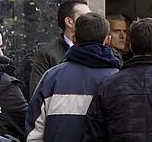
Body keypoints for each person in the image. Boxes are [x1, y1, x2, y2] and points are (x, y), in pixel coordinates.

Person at [25, 12, 120, 142]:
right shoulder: (119, 79)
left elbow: (34, 133)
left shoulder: (51, 77)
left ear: (74, 39)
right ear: (108, 40)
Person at [29, 0, 91, 95]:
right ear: (69, 22)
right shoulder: (47, 54)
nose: (90, 21)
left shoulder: (97, 50)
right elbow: (37, 93)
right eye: (85, 18)